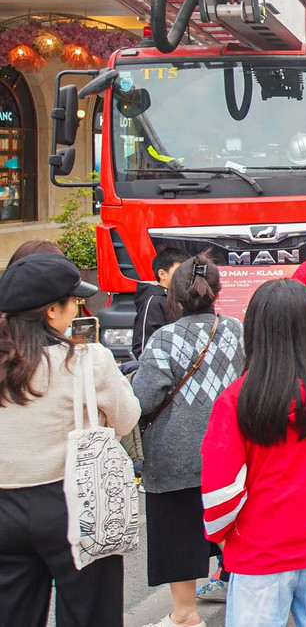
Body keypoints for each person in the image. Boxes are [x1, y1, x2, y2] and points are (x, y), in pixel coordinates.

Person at [200, 280, 306, 627]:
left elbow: (221, 491)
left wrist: (226, 539)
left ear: (255, 329)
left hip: (259, 550)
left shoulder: (237, 398)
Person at [0, 252, 137, 627]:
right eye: (75, 301)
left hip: (4, 505)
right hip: (75, 501)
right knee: (90, 612)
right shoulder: (87, 360)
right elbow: (125, 420)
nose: (78, 308)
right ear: (51, 311)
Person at [132, 253, 245, 627]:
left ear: (174, 295)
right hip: (229, 451)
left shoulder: (165, 339)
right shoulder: (236, 330)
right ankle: (250, 602)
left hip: (174, 456)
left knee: (178, 532)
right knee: (235, 528)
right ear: (218, 292)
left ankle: (185, 614)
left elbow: (143, 399)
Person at [133, 247, 185, 361]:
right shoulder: (154, 301)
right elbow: (143, 345)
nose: (184, 276)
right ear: (162, 274)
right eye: (179, 271)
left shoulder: (183, 298)